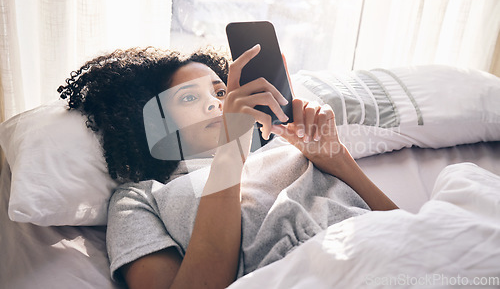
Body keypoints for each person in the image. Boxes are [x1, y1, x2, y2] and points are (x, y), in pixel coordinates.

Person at [58, 45, 398, 289]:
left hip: (391, 256)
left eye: (221, 92)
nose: (215, 103)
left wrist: (336, 159)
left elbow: (402, 225)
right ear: (157, 122)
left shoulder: (292, 148)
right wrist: (229, 154)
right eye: (189, 98)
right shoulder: (140, 198)